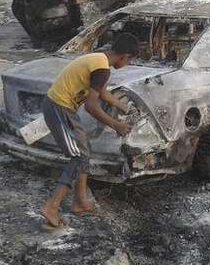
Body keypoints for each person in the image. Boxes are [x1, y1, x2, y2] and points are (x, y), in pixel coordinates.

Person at [39, 33, 139, 227]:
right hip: (59, 108)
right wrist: (116, 124)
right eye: (130, 60)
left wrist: (122, 106)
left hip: (62, 107)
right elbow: (91, 107)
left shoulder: (99, 59)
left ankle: (80, 202)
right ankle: (51, 207)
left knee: (84, 152)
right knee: (77, 157)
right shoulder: (102, 69)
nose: (128, 63)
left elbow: (101, 92)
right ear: (125, 56)